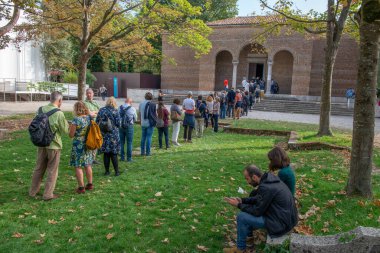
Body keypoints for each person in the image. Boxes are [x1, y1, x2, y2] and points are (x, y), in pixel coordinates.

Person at [223, 165, 298, 253]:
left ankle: (240, 249)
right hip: (285, 218)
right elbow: (260, 198)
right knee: (247, 213)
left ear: (254, 177)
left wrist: (238, 205)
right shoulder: (269, 180)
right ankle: (249, 242)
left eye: (247, 179)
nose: (247, 182)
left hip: (281, 223)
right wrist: (242, 200)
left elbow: (257, 211)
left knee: (242, 217)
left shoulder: (266, 187)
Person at [29, 91, 69, 201]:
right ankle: (48, 194)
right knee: (52, 170)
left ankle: (33, 191)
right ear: (60, 100)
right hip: (54, 145)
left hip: (41, 143)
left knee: (39, 168)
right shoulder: (59, 113)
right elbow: (65, 130)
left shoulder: (40, 109)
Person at [69, 101, 94, 194]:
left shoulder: (76, 120)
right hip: (88, 143)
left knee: (78, 165)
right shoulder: (89, 118)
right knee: (87, 164)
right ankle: (90, 184)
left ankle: (81, 187)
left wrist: (70, 129)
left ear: (76, 109)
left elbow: (71, 135)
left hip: (78, 144)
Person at [96, 97, 121, 176]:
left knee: (106, 153)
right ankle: (116, 172)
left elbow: (97, 122)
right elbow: (118, 124)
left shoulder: (101, 110)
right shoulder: (115, 111)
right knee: (114, 153)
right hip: (113, 135)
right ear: (114, 103)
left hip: (104, 134)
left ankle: (107, 171)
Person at [83, 88, 101, 164]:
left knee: (96, 140)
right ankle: (87, 157)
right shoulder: (84, 103)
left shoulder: (95, 103)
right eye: (88, 93)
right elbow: (89, 114)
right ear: (86, 94)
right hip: (88, 125)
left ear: (93, 94)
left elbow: (100, 111)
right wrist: (94, 112)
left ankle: (93, 158)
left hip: (96, 124)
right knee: (89, 140)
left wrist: (94, 112)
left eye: (90, 93)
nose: (89, 95)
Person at [119, 97, 137, 162]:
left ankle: (122, 157)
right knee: (129, 142)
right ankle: (129, 158)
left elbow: (118, 116)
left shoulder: (120, 107)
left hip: (121, 126)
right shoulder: (132, 108)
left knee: (121, 142)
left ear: (125, 101)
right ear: (130, 102)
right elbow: (135, 118)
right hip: (129, 126)